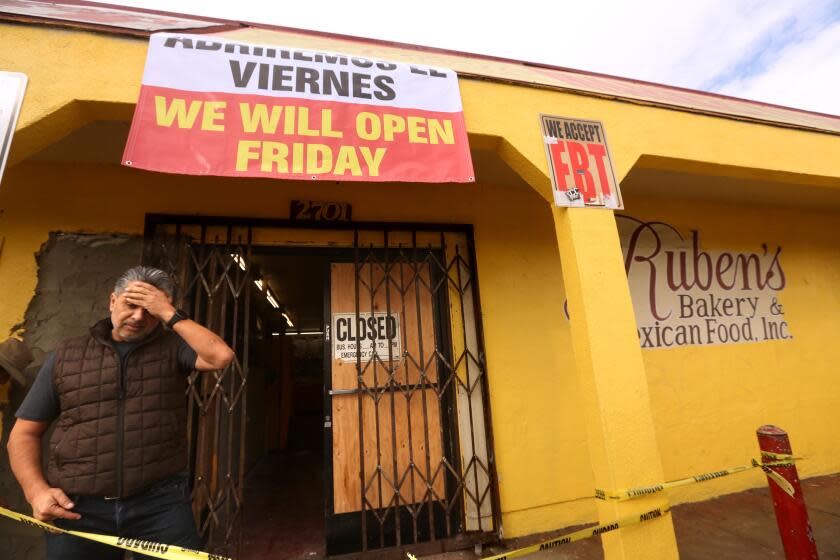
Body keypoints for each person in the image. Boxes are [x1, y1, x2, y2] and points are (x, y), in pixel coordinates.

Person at [6, 266, 235, 559]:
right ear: (112, 301)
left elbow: (221, 356)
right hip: (78, 508)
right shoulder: (67, 355)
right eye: (130, 304)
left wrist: (170, 313)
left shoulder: (174, 348)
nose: (139, 317)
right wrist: (36, 492)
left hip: (160, 506)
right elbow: (24, 433)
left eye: (149, 309)